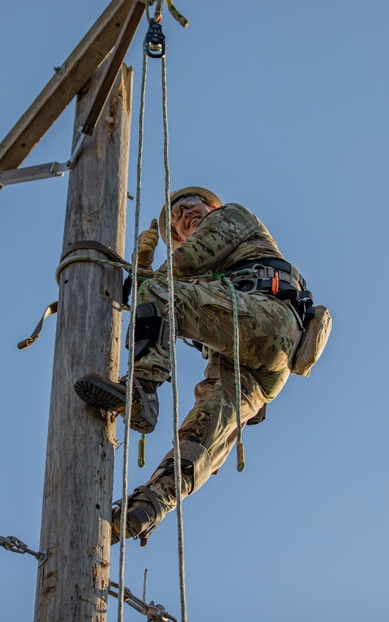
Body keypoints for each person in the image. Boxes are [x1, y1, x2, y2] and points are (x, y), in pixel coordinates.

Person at [74, 186, 324, 544]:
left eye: (188, 208)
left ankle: (142, 388)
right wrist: (142, 265)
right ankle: (145, 510)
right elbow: (154, 285)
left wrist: (146, 270)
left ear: (210, 206)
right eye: (177, 223)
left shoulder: (231, 217)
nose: (184, 218)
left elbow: (167, 279)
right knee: (203, 435)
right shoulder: (205, 269)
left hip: (269, 319)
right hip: (257, 357)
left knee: (162, 293)